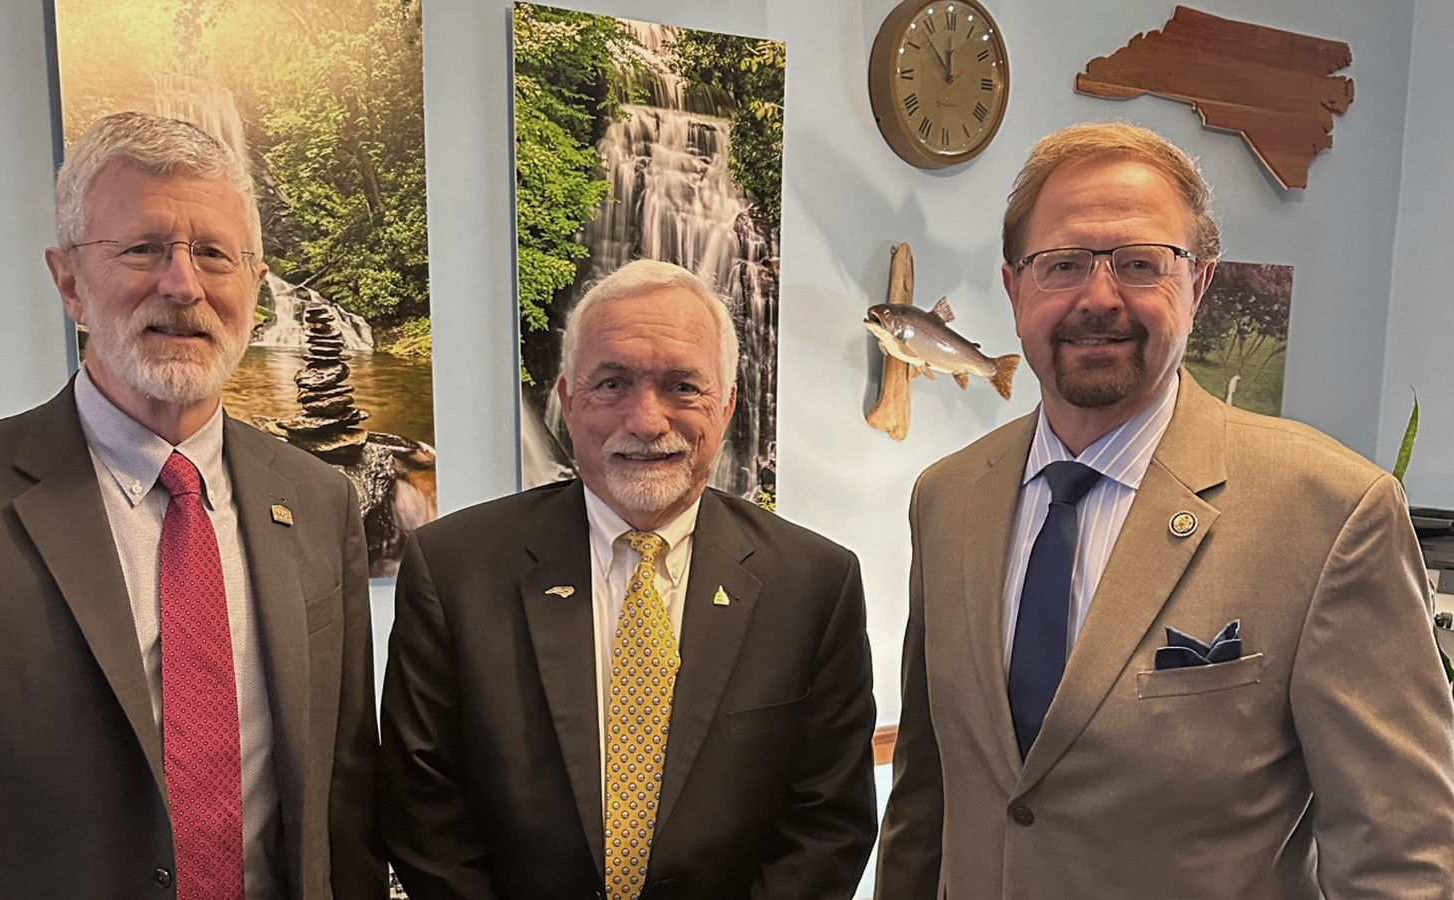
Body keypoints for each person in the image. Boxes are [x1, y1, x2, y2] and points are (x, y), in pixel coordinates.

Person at [875, 122, 1454, 899]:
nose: (1098, 297)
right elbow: (926, 800)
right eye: (1063, 264)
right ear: (1015, 291)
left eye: (1142, 263)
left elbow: (1403, 857)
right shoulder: (945, 499)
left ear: (1199, 286)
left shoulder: (1332, 515)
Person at [0, 112, 382, 899]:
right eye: (142, 249)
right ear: (69, 282)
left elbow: (344, 799)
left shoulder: (318, 498)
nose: (182, 284)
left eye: (213, 253)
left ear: (254, 284)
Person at [379, 259, 877, 900]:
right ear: (565, 401)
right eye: (611, 384)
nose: (645, 420)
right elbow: (422, 806)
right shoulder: (452, 569)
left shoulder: (814, 584)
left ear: (726, 406)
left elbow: (827, 822)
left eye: (682, 387)